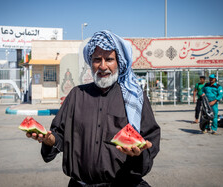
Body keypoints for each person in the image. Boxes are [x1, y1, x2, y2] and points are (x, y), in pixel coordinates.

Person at [26, 30, 161, 187]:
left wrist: (140, 153)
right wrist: (49, 140)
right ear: (91, 63)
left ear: (119, 62)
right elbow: (59, 135)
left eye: (109, 59)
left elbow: (150, 138)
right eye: (97, 59)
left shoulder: (134, 97)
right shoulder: (76, 95)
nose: (103, 66)